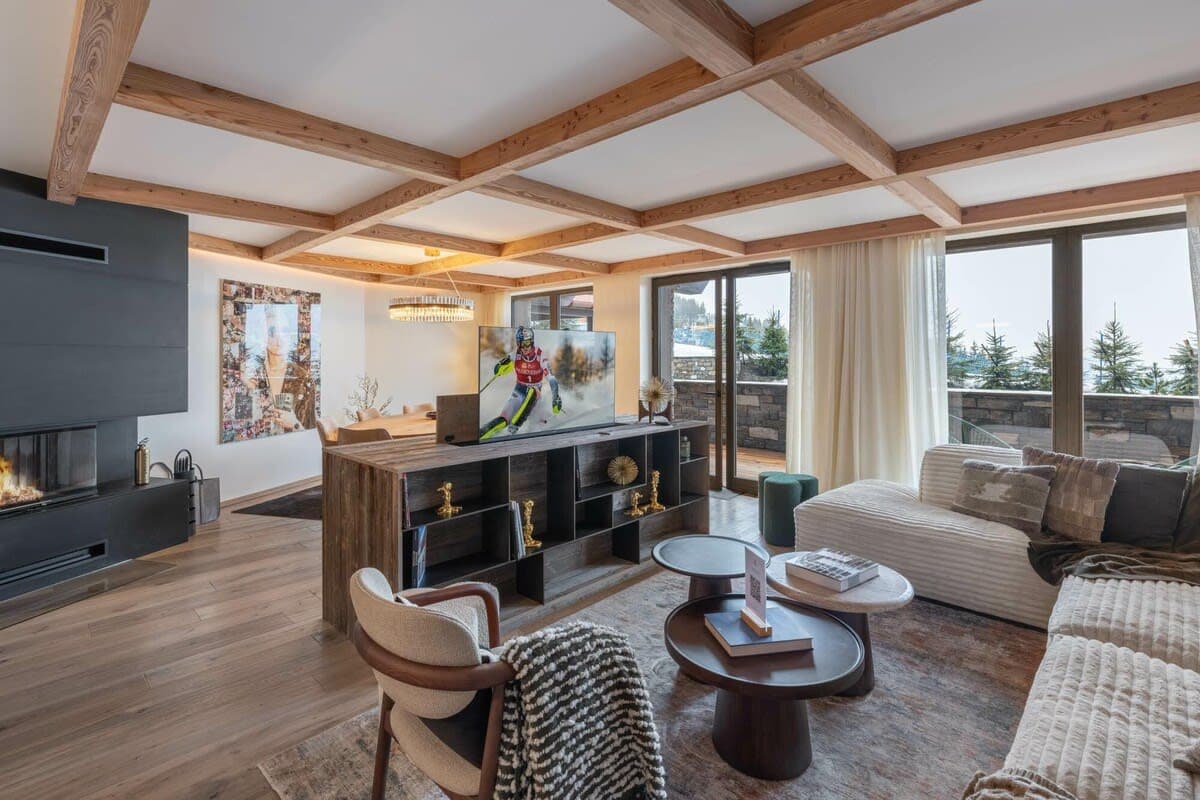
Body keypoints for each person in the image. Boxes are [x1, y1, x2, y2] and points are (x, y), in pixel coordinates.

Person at [479, 326, 563, 440]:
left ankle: (516, 425)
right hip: (519, 390)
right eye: (522, 344)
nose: (525, 347)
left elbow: (552, 378)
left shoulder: (540, 355)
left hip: (536, 394)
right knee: (503, 419)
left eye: (527, 343)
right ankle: (483, 433)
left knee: (537, 413)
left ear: (532, 341)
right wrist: (500, 367)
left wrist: (556, 396)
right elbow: (498, 367)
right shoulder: (515, 354)